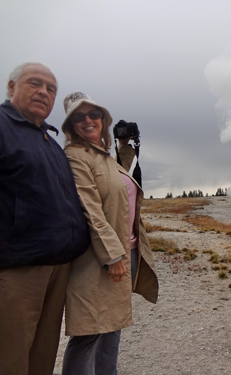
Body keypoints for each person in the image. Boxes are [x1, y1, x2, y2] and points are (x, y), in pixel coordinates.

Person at [60, 91, 159, 375]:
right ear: (70, 125)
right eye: (79, 116)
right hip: (99, 258)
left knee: (113, 325)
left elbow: (117, 177)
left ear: (103, 119)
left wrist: (124, 145)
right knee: (89, 332)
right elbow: (90, 209)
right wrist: (113, 255)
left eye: (94, 114)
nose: (88, 120)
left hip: (125, 251)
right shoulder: (75, 156)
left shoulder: (103, 156)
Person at [0, 63, 90, 375]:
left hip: (57, 267)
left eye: (50, 89)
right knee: (10, 357)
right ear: (11, 88)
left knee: (42, 356)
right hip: (18, 268)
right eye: (35, 83)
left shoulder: (50, 142)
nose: (43, 92)